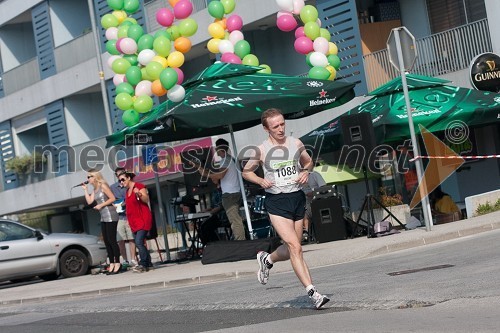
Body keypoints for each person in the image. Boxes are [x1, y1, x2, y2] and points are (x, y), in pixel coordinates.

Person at [242, 108, 330, 309]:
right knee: (295, 248)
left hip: (297, 198)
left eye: (282, 124)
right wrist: (260, 180)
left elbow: (308, 162)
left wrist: (306, 172)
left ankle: (267, 259)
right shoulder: (261, 150)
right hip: (277, 202)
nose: (281, 129)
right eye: (276, 126)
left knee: (295, 248)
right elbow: (247, 171)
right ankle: (313, 292)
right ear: (266, 129)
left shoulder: (295, 143)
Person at [195, 139, 246, 240]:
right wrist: (202, 170)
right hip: (232, 194)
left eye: (216, 148)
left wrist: (206, 174)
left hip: (230, 195)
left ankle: (241, 242)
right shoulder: (228, 160)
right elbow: (217, 179)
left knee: (234, 220)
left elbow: (220, 175)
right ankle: (241, 240)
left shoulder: (226, 160)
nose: (216, 151)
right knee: (235, 220)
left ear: (219, 148)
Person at [82, 169, 121, 275]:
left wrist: (101, 205)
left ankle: (117, 263)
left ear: (95, 177)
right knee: (107, 241)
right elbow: (89, 201)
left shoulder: (103, 185)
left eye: (89, 176)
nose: (88, 179)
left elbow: (112, 198)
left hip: (110, 214)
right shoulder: (95, 189)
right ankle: (111, 263)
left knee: (112, 240)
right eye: (87, 177)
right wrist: (85, 190)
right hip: (103, 216)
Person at [119, 171, 153, 273]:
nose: (121, 182)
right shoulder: (127, 191)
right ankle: (149, 264)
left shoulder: (139, 186)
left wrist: (139, 194)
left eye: (123, 179)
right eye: (119, 180)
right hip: (133, 222)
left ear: (128, 178)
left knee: (138, 242)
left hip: (143, 219)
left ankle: (143, 264)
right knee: (140, 243)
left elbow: (146, 199)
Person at [110, 167, 137, 268]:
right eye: (117, 175)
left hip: (130, 215)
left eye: (121, 174)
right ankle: (125, 260)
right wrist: (115, 204)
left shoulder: (129, 184)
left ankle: (133, 259)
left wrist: (125, 202)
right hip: (120, 216)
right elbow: (111, 199)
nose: (119, 176)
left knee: (131, 238)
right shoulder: (112, 187)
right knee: (120, 239)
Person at [301, 165, 326, 242]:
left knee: (307, 213)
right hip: (306, 202)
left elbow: (324, 188)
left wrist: (313, 193)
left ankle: (309, 233)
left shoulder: (315, 174)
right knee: (302, 213)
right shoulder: (298, 179)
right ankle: (306, 235)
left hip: (318, 201)